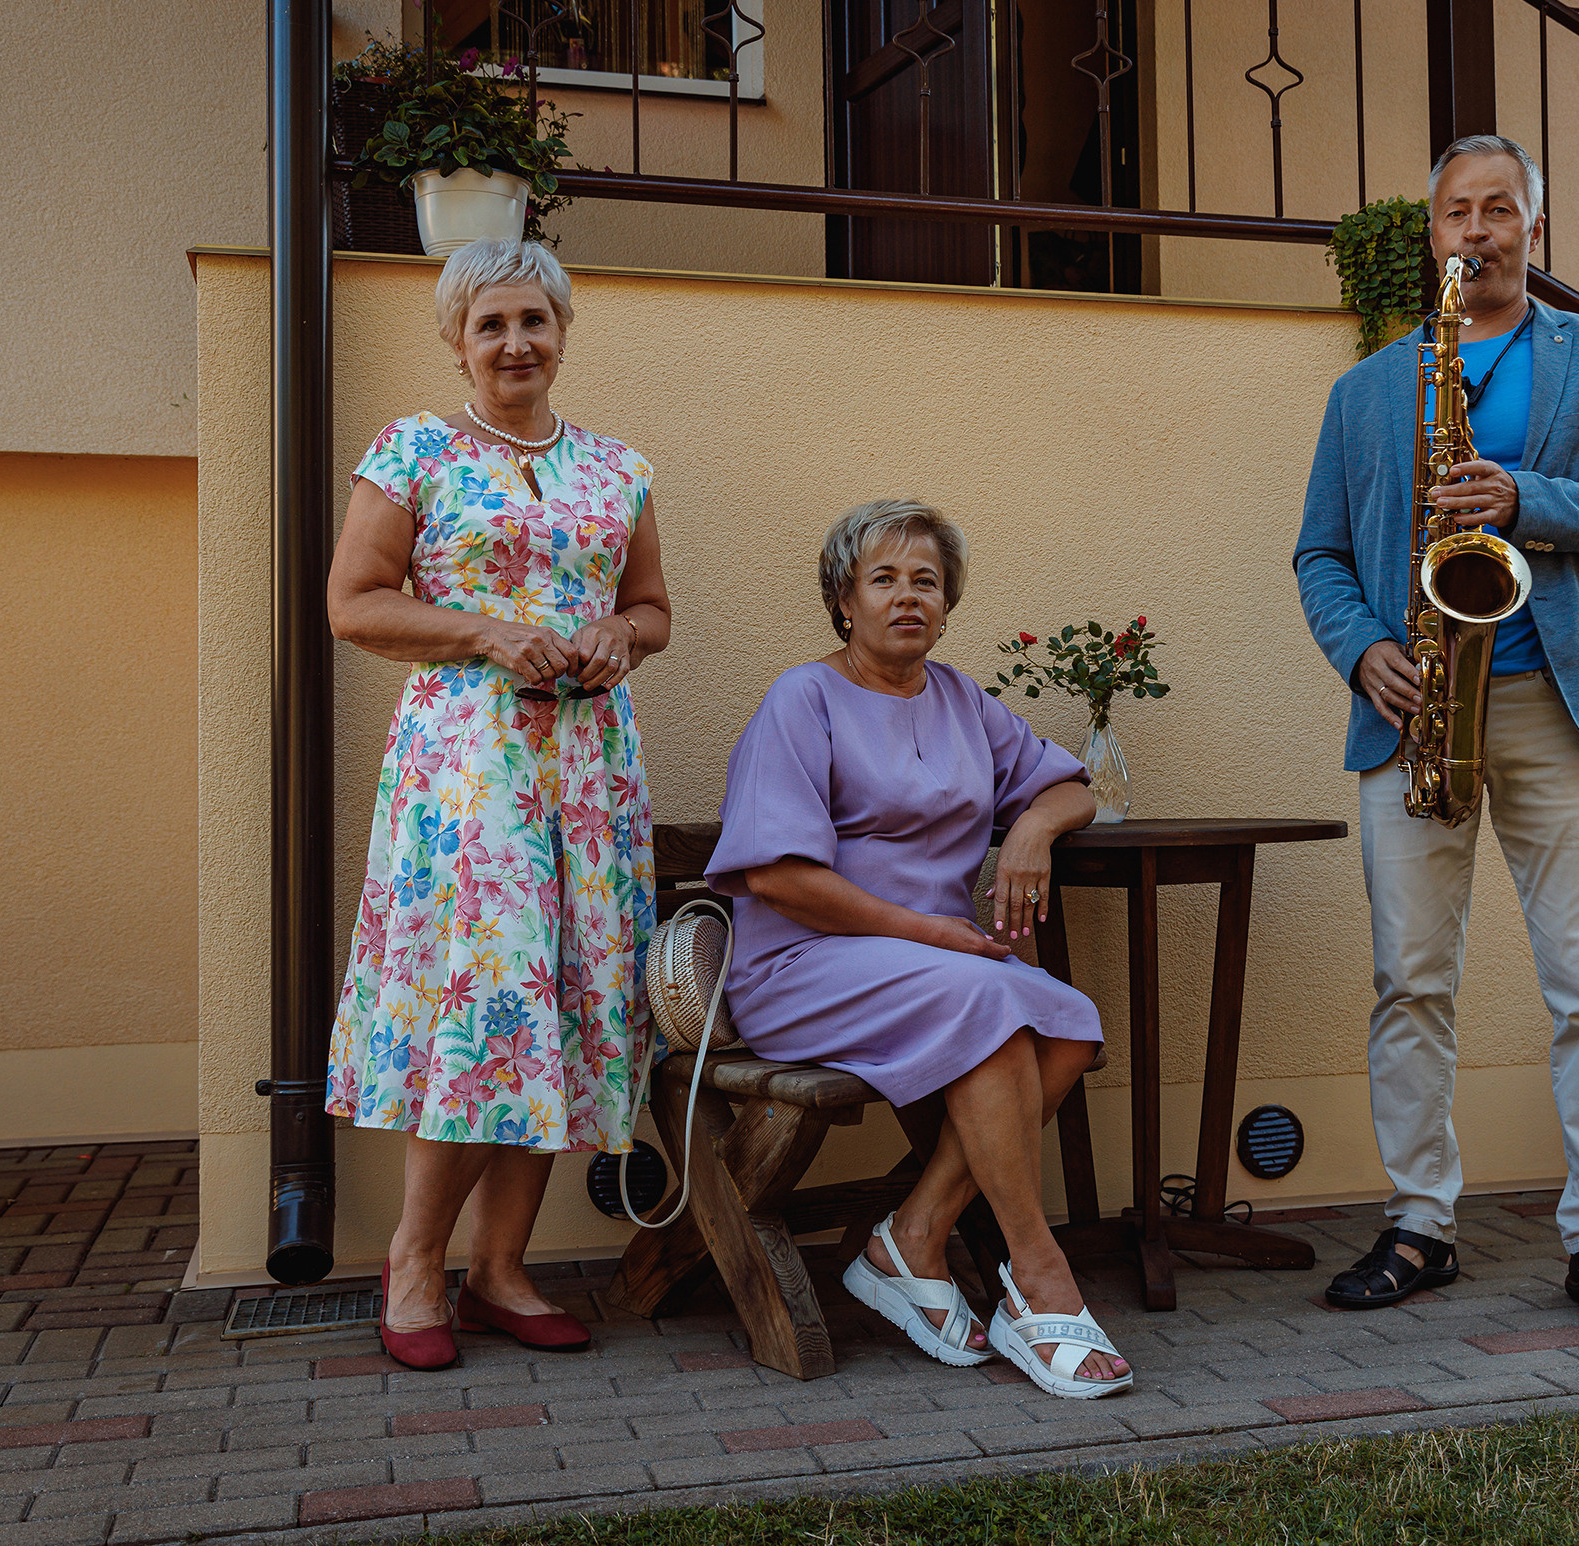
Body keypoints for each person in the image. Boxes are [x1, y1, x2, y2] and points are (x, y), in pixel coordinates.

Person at [1294, 135, 1579, 1337]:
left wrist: (1525, 497)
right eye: (1457, 212)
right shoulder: (1370, 388)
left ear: (1535, 227)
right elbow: (1316, 551)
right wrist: (1361, 646)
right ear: (1432, 236)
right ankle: (1420, 1223)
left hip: (1555, 707)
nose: (1479, 229)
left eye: (1500, 209)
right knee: (1408, 982)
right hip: (1411, 706)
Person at [323, 238, 672, 1369]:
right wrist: (486, 631)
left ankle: (503, 1267)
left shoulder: (619, 467)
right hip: (471, 772)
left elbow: (654, 606)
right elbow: (353, 603)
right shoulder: (414, 450)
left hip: (588, 769)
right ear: (456, 339)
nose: (515, 342)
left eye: (534, 320)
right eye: (492, 325)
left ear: (563, 331)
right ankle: (416, 1259)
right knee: (486, 1009)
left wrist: (621, 632)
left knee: (566, 1007)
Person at [704, 500, 1131, 1398]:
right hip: (805, 965)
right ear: (844, 601)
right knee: (984, 1001)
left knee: (1068, 1019)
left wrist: (1027, 837)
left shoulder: (962, 699)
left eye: (926, 582)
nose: (908, 598)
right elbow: (779, 876)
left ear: (947, 603)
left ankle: (916, 1233)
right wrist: (933, 931)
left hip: (935, 969)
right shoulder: (803, 698)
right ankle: (1038, 1270)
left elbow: (1071, 788)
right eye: (885, 579)